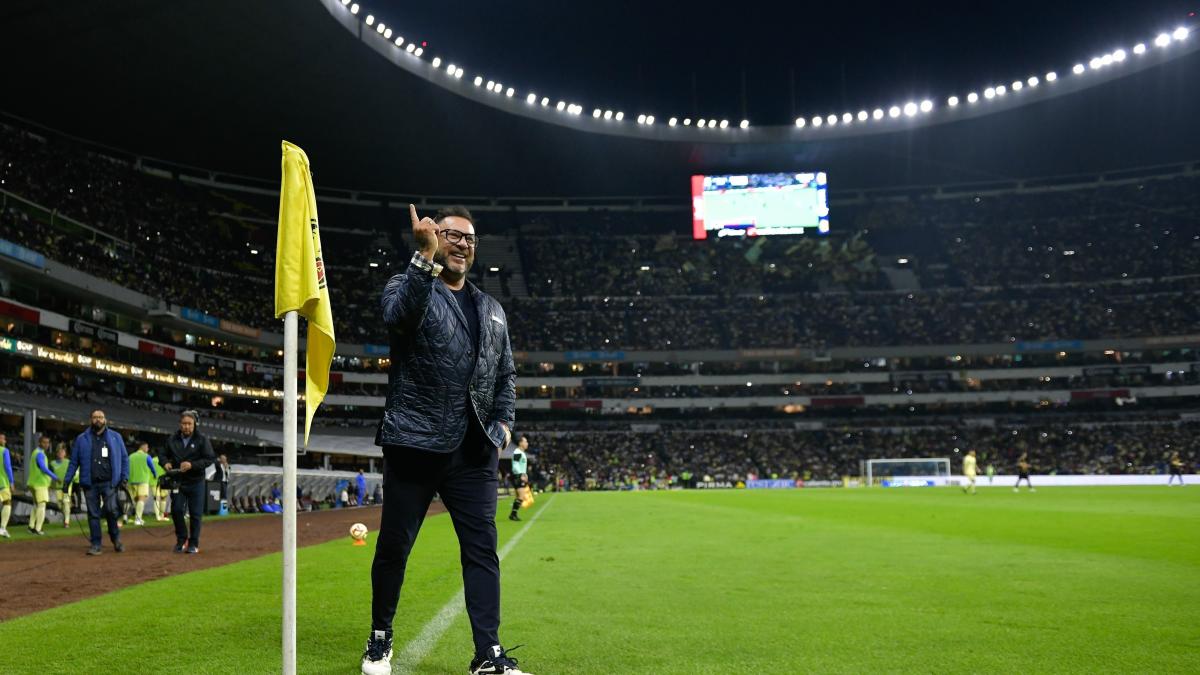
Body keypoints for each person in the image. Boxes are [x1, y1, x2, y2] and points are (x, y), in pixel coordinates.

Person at [362, 205, 526, 675]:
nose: (463, 245)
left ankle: (488, 654)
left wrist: (503, 425)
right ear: (434, 236)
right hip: (415, 442)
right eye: (453, 235)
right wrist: (423, 259)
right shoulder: (407, 283)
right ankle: (380, 638)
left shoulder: (492, 308)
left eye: (470, 239)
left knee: (482, 551)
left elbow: (506, 375)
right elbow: (398, 318)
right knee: (395, 546)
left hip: (474, 450)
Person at [64, 409, 129, 555]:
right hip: (90, 483)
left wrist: (124, 477)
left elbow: (125, 458)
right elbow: (73, 462)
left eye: (100, 417)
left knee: (112, 511)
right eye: (95, 417)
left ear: (105, 420)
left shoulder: (115, 437)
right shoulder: (81, 439)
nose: (98, 420)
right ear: (90, 420)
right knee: (93, 514)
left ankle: (115, 538)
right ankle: (96, 544)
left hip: (109, 482)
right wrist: (67, 481)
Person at [163, 410, 215, 554]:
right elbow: (163, 454)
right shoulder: (172, 439)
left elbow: (210, 459)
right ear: (180, 424)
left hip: (196, 481)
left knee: (195, 513)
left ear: (194, 425)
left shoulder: (202, 439)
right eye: (184, 424)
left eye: (189, 424)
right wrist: (165, 462)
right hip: (178, 481)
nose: (186, 427)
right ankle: (181, 540)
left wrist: (192, 465)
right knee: (177, 510)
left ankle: (193, 543)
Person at [26, 434, 57, 534]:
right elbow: (43, 468)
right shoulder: (40, 454)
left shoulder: (35, 452)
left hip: (32, 483)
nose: (47, 444)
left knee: (36, 505)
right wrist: (54, 476)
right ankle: (38, 528)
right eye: (44, 442)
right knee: (42, 505)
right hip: (40, 484)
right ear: (39, 442)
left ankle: (31, 526)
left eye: (48, 442)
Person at [126, 441, 159, 525]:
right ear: (143, 447)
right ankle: (138, 519)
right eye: (147, 447)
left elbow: (126, 467)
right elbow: (152, 467)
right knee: (141, 499)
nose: (147, 449)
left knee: (131, 500)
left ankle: (125, 517)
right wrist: (155, 475)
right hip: (143, 480)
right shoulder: (147, 456)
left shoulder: (130, 456)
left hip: (131, 481)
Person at [50, 441, 77, 527]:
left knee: (65, 502)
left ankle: (66, 522)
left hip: (67, 486)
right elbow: (49, 474)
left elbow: (74, 472)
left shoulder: (68, 462)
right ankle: (66, 513)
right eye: (59, 452)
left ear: (65, 453)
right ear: (57, 453)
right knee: (59, 504)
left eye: (62, 452)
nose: (61, 453)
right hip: (58, 487)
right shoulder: (52, 464)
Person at [509, 436, 531, 521]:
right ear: (520, 443)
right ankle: (513, 514)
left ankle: (513, 514)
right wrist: (521, 475)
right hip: (518, 476)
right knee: (522, 496)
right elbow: (515, 465)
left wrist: (525, 474)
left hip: (520, 475)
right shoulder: (517, 452)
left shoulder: (521, 452)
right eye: (525, 442)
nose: (527, 443)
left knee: (519, 496)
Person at [150, 450, 170, 522]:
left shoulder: (151, 460)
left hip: (153, 481)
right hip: (164, 481)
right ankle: (161, 516)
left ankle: (158, 516)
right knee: (163, 498)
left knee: (156, 499)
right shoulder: (164, 460)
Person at [0, 432, 12, 538]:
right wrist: (11, 481)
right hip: (2, 482)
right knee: (7, 503)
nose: (5, 441)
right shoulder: (5, 451)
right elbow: (8, 467)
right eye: (3, 439)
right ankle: (2, 528)